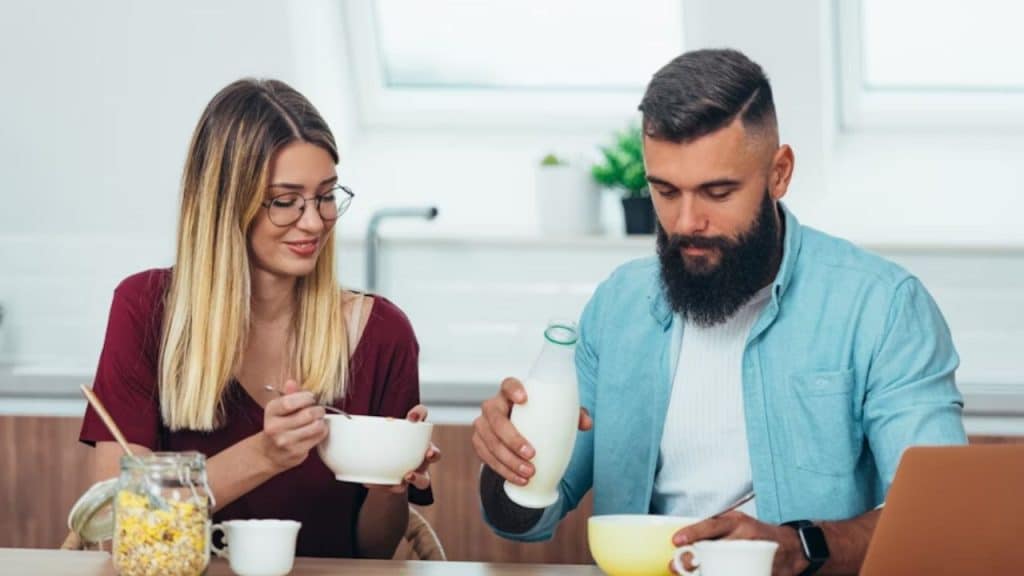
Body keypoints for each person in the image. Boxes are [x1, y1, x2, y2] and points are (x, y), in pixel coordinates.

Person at [473, 49, 966, 575]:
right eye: (665, 190)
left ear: (779, 174)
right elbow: (525, 519)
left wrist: (802, 547)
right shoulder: (617, 307)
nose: (686, 222)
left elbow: (943, 519)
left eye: (718, 191)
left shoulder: (882, 307)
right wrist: (507, 462)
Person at [79, 78, 440, 559]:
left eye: (327, 195)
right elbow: (121, 526)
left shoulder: (383, 335)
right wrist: (263, 456)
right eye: (286, 200)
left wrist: (390, 483)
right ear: (225, 203)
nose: (314, 221)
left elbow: (371, 551)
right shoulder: (145, 310)